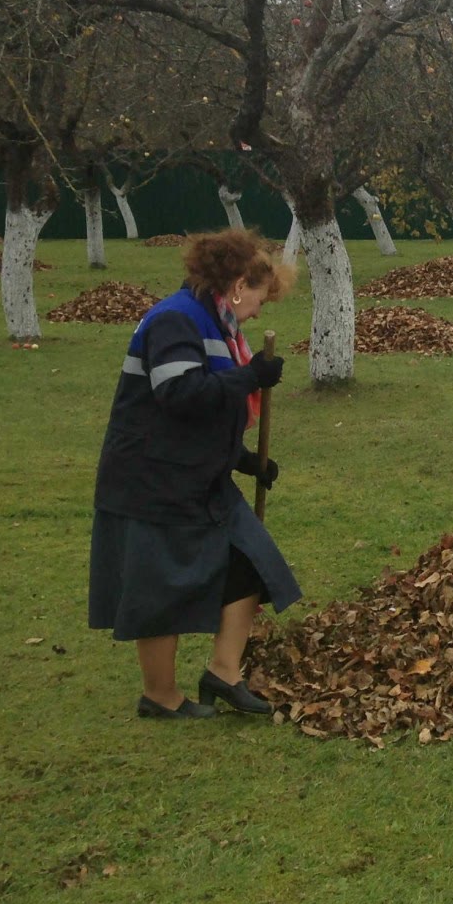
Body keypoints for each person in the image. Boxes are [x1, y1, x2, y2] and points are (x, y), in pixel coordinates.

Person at [88, 230, 302, 719]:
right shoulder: (175, 320)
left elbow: (205, 414)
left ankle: (223, 674)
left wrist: (245, 460)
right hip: (151, 480)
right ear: (237, 283)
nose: (259, 311)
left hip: (198, 474)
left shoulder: (217, 325)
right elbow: (181, 395)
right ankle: (160, 697)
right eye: (259, 299)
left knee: (252, 560)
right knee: (160, 586)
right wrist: (251, 377)